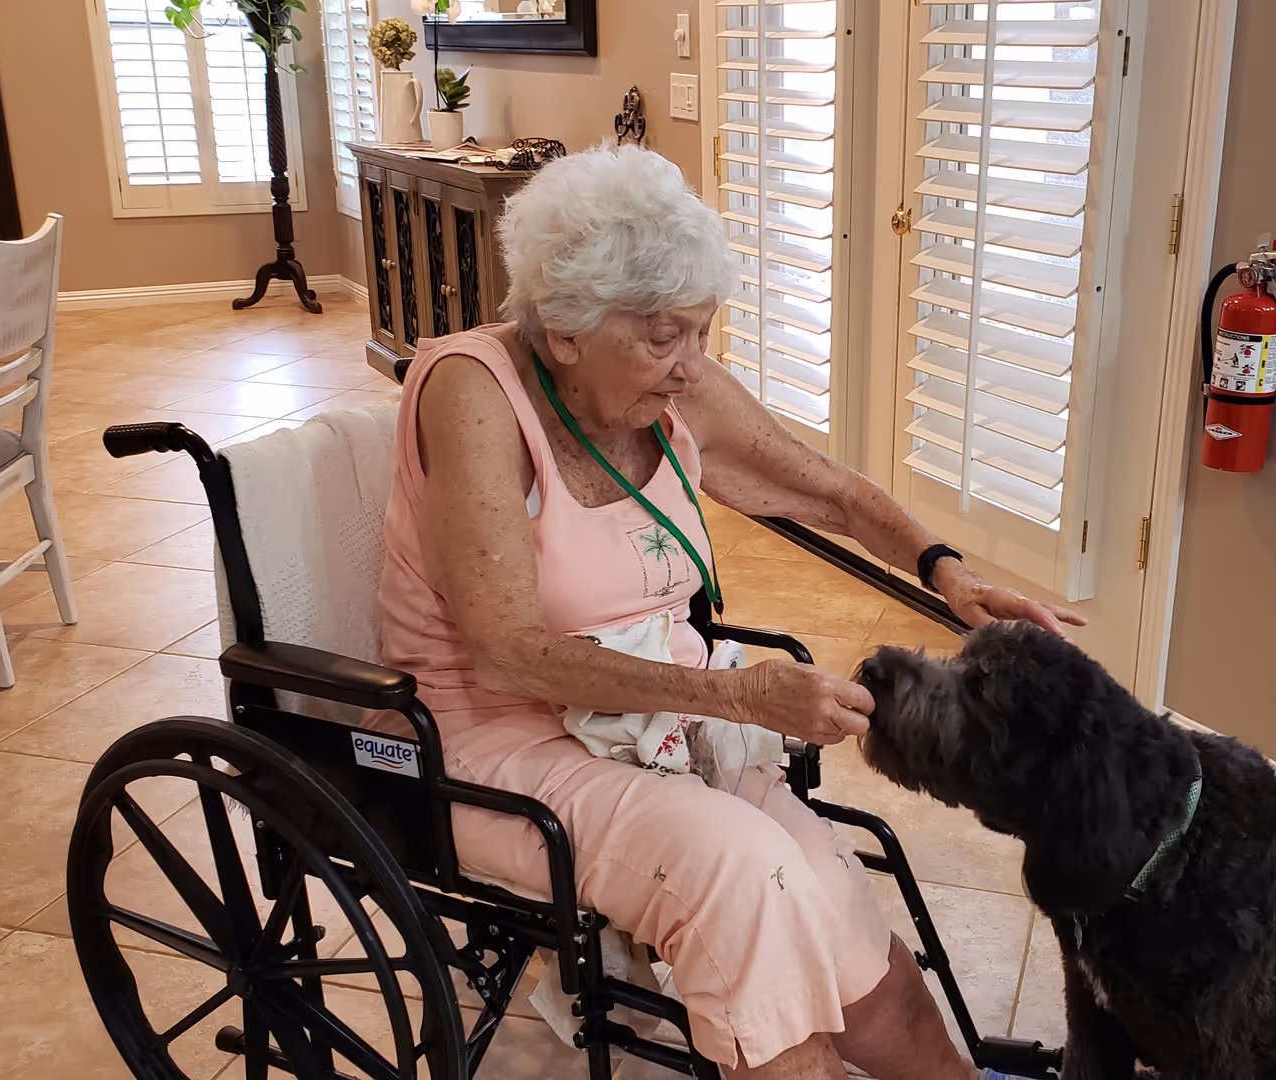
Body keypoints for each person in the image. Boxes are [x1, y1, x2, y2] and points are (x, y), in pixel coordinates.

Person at [375, 143, 1083, 1080]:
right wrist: (742, 698)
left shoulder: (663, 379)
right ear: (565, 329)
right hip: (495, 739)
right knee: (741, 876)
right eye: (667, 336)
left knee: (829, 894)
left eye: (703, 332)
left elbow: (828, 491)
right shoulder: (472, 391)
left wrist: (946, 576)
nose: (691, 366)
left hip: (652, 727)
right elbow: (508, 652)